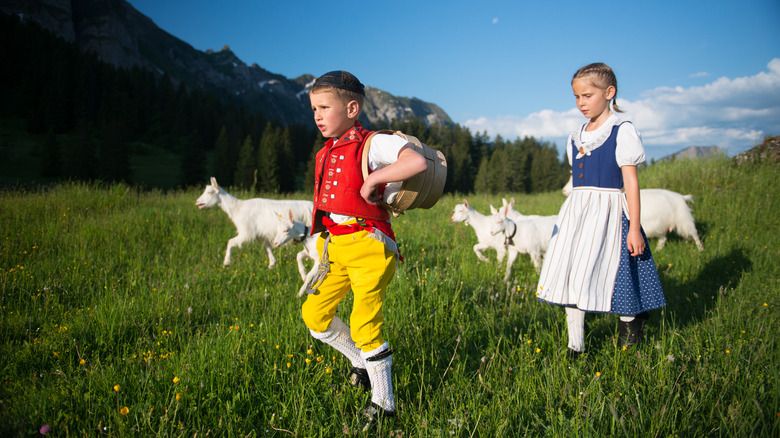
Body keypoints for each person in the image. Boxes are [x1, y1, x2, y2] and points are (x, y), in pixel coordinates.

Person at [302, 70, 427, 429]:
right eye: (314, 109)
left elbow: (416, 161)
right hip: (338, 246)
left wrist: (374, 178)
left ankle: (384, 403)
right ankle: (361, 360)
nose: (318, 115)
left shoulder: (372, 143)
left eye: (325, 107)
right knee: (314, 314)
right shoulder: (328, 149)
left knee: (364, 323)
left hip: (370, 246)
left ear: (352, 108)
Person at [536, 63, 666, 357]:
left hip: (609, 212)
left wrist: (634, 227)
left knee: (617, 273)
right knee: (572, 274)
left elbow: (631, 183)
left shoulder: (623, 131)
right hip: (577, 214)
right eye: (576, 97)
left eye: (587, 95)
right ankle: (575, 345)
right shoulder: (575, 135)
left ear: (609, 93)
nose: (581, 103)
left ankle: (631, 326)